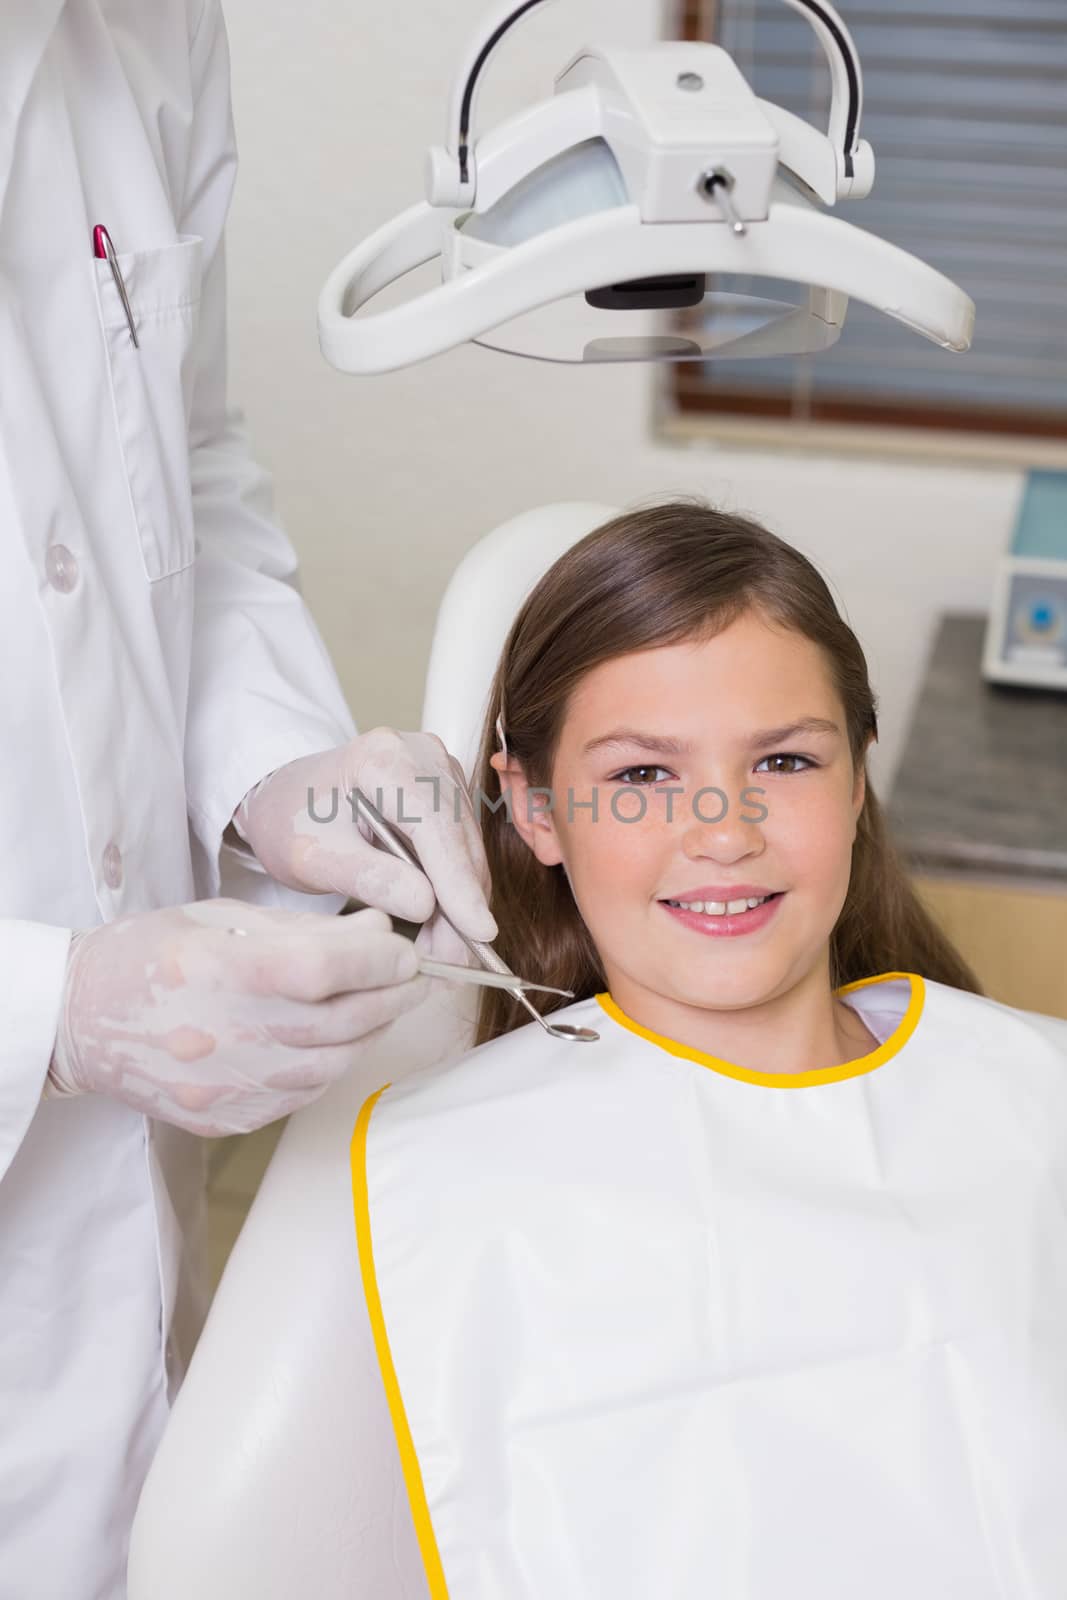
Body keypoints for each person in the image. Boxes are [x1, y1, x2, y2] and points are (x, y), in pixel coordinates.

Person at [0, 4, 494, 1596]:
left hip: (121, 1356)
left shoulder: (143, 30)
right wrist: (47, 1017)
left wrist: (273, 766)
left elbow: (175, 463)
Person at [351, 502, 1067, 1597]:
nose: (722, 830)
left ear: (857, 776)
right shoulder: (439, 1182)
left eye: (782, 760)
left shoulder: (1029, 1098)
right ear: (535, 808)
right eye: (639, 776)